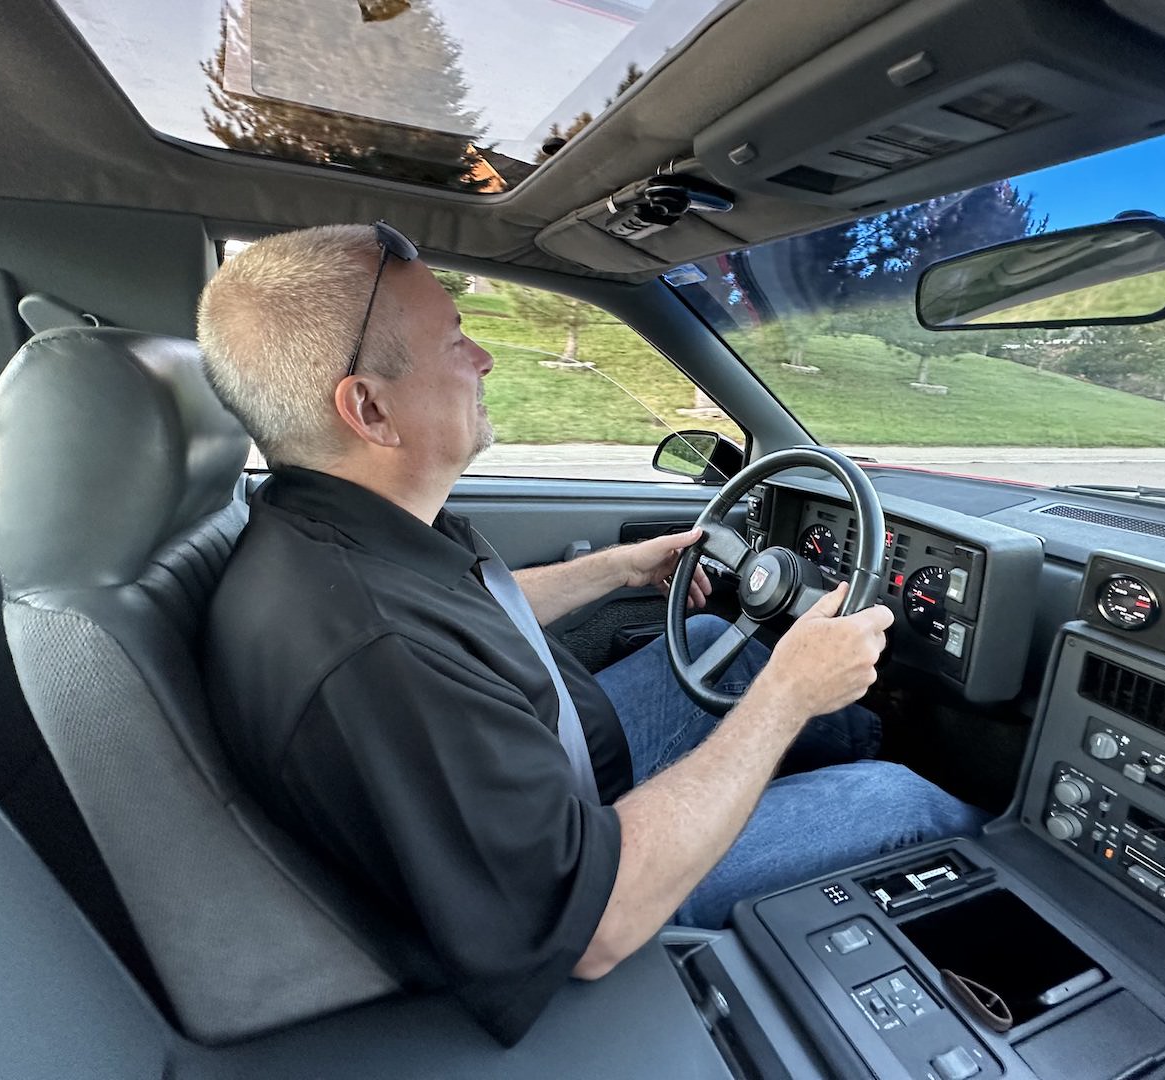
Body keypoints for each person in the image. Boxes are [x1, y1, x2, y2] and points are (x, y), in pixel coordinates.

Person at [198, 224, 985, 1044]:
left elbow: (469, 615)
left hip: (561, 755)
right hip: (597, 875)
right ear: (370, 408)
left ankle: (835, 777)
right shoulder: (371, 655)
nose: (484, 359)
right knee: (906, 801)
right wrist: (790, 699)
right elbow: (594, 926)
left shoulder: (342, 532)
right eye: (454, 339)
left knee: (741, 648)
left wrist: (614, 569)